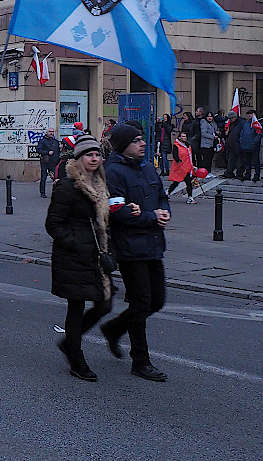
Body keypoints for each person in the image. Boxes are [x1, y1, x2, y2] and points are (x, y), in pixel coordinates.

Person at [99, 123, 171, 382]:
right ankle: (140, 360)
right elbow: (117, 212)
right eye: (136, 140)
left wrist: (164, 211)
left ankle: (114, 328)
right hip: (130, 248)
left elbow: (161, 196)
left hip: (153, 245)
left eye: (142, 139)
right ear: (123, 146)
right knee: (140, 304)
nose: (142, 144)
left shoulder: (148, 167)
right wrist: (152, 216)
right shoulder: (114, 172)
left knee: (157, 301)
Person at [45, 134, 119, 381]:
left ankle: (69, 343)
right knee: (76, 306)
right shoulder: (68, 186)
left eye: (97, 154)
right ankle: (76, 358)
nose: (94, 159)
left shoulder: (101, 185)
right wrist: (76, 244)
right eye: (89, 155)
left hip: (97, 256)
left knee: (105, 303)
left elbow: (105, 222)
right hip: (74, 257)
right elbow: (53, 224)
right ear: (78, 158)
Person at [165, 130, 195, 203]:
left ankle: (190, 197)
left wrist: (193, 165)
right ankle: (167, 193)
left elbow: (191, 156)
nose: (184, 138)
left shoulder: (188, 146)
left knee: (188, 182)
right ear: (179, 137)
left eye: (185, 136)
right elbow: (175, 155)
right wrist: (178, 160)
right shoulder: (176, 145)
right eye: (183, 136)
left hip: (187, 167)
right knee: (176, 182)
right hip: (179, 167)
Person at [237, 111, 263, 183]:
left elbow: (259, 134)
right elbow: (242, 133)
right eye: (248, 114)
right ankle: (247, 174)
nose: (249, 115)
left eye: (251, 114)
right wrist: (241, 141)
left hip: (253, 146)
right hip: (245, 145)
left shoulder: (257, 124)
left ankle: (256, 175)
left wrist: (254, 142)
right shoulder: (246, 124)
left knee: (255, 161)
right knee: (246, 161)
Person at [36, 128, 61, 198]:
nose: (51, 133)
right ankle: (42, 192)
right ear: (46, 132)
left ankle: (56, 192)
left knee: (56, 178)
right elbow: (38, 149)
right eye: (50, 131)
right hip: (45, 162)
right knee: (43, 178)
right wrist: (47, 152)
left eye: (52, 131)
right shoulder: (43, 141)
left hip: (54, 162)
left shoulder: (55, 142)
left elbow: (58, 151)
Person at [222, 112, 242, 178]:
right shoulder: (232, 124)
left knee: (239, 160)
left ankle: (239, 173)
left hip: (238, 145)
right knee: (231, 159)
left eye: (231, 119)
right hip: (231, 145)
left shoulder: (240, 123)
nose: (230, 120)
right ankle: (229, 172)